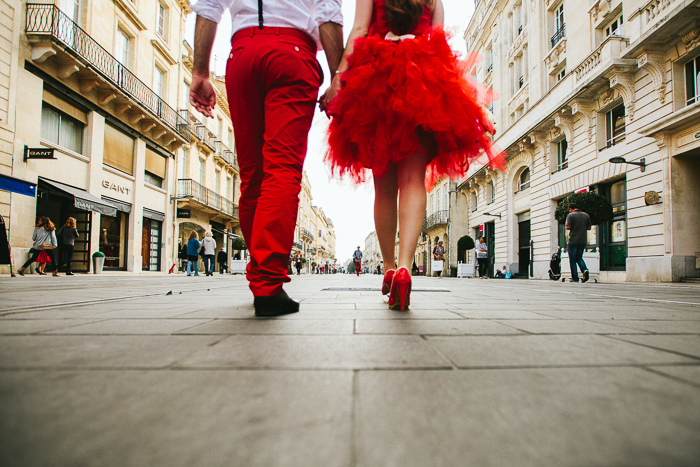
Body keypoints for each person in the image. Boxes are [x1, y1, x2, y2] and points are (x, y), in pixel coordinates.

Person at [323, 0, 504, 310]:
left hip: (376, 78)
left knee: (384, 188)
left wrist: (339, 76)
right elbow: (442, 50)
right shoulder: (433, 1)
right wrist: (471, 105)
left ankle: (390, 267)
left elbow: (360, 31)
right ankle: (406, 267)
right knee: (413, 180)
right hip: (423, 80)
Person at [190, 0, 344, 317]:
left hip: (242, 55)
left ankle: (260, 278)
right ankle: (268, 283)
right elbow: (328, 11)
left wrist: (200, 71)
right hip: (293, 53)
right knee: (283, 170)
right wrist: (338, 75)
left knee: (252, 176)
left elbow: (208, 8)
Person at [565, 203, 591, 283]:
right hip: (582, 240)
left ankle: (575, 278)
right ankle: (584, 269)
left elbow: (568, 227)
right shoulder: (586, 215)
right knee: (579, 257)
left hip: (573, 240)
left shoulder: (571, 215)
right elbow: (589, 227)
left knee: (572, 259)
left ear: (571, 209)